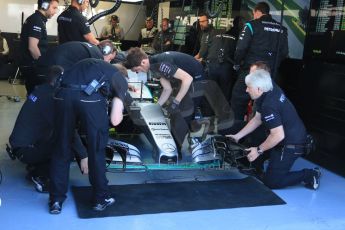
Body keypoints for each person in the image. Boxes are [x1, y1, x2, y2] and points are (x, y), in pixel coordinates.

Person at [49, 58, 128, 214]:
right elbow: (115, 120)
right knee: (96, 149)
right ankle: (100, 199)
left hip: (62, 96)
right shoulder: (120, 79)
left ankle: (56, 201)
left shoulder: (91, 65)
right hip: (89, 99)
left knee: (61, 148)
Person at [227, 69, 321, 190]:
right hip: (286, 134)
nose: (246, 90)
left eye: (248, 87)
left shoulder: (269, 105)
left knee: (272, 182)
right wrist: (238, 136)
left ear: (259, 89)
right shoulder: (270, 87)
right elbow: (257, 119)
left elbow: (278, 135)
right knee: (249, 156)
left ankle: (310, 174)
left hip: (291, 144)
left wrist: (259, 150)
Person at [9, 66, 88, 193]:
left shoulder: (41, 90)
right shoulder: (51, 98)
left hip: (22, 144)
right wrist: (83, 156)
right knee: (66, 148)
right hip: (26, 150)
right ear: (59, 80)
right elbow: (67, 129)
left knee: (55, 136)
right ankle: (41, 176)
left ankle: (36, 166)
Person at [125, 47, 205, 148]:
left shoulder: (161, 64)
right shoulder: (154, 66)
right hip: (187, 77)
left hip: (196, 78)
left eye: (137, 70)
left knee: (182, 114)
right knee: (175, 113)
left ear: (143, 62)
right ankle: (185, 137)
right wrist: (156, 107)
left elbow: (188, 79)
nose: (138, 72)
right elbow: (167, 89)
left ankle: (175, 149)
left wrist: (176, 102)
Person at [231, 2, 288, 120]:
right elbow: (284, 52)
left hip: (251, 71)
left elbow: (240, 48)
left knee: (238, 101)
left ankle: (237, 133)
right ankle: (257, 135)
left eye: (253, 14)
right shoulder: (282, 28)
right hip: (270, 74)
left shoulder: (251, 25)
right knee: (264, 105)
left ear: (257, 12)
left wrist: (237, 63)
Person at [20, 0, 59, 94]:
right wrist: (44, 66)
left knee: (33, 96)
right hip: (33, 66)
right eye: (54, 8)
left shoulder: (36, 19)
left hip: (30, 65)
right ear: (44, 6)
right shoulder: (37, 20)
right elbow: (33, 47)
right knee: (36, 96)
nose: (56, 11)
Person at [42, 40, 116, 71]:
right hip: (51, 67)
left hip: (46, 61)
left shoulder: (91, 48)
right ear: (105, 51)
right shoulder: (97, 55)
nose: (109, 62)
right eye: (110, 59)